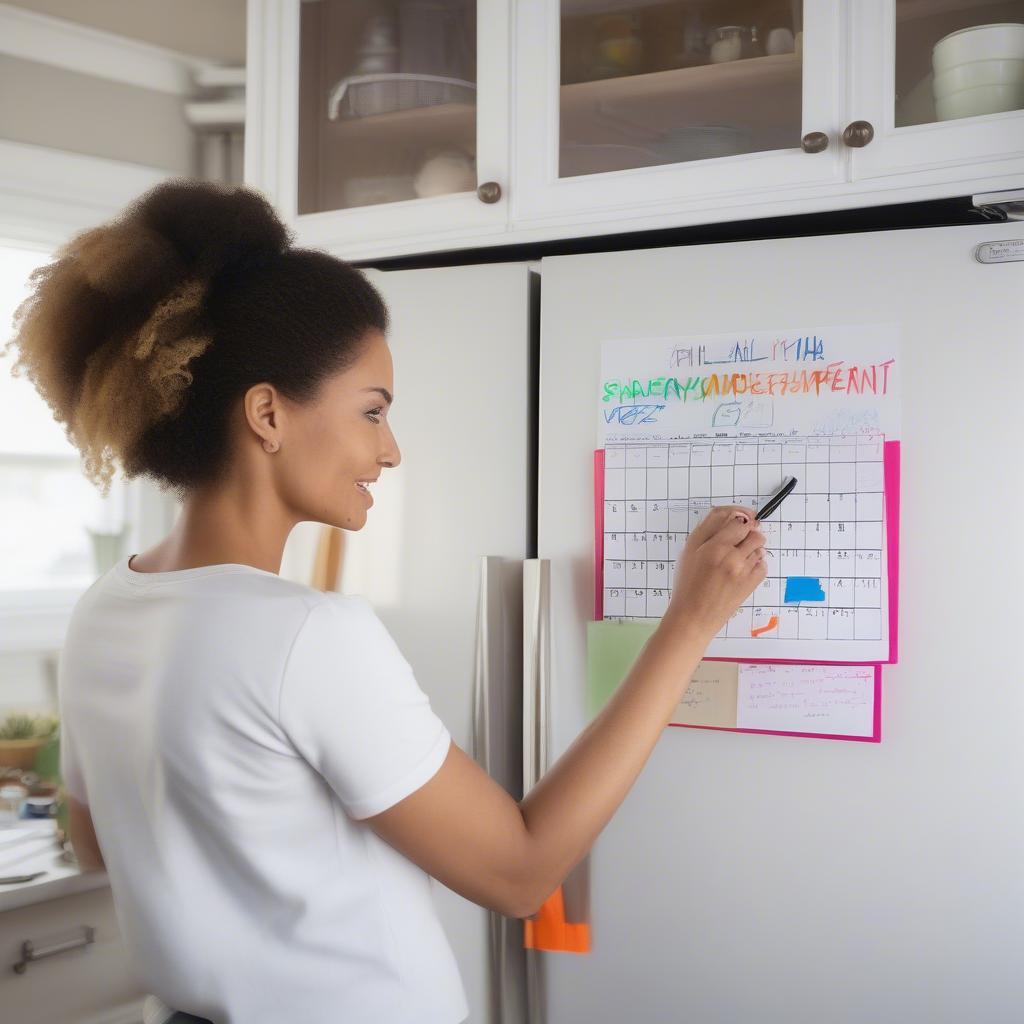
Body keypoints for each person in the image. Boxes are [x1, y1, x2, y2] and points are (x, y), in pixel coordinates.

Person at [3, 181, 766, 1024]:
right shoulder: (304, 634)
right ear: (267, 414)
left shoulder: (103, 611)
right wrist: (691, 623)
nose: (390, 450)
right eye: (372, 412)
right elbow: (519, 873)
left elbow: (102, 844)